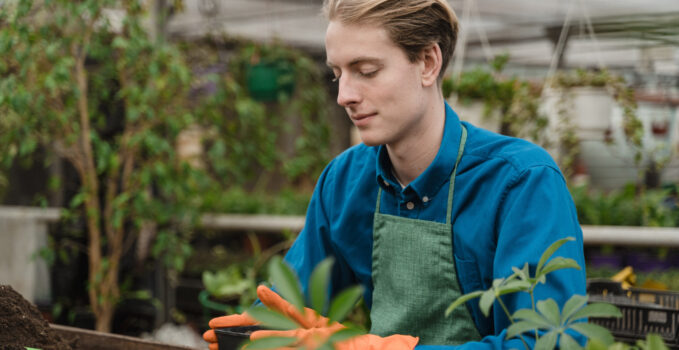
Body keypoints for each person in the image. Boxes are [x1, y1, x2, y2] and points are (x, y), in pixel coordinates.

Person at [204, 0, 587, 349]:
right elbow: (290, 304)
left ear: (427, 63)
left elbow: (551, 343)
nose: (344, 95)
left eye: (366, 70)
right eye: (338, 74)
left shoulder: (519, 182)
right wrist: (258, 334)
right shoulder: (345, 181)